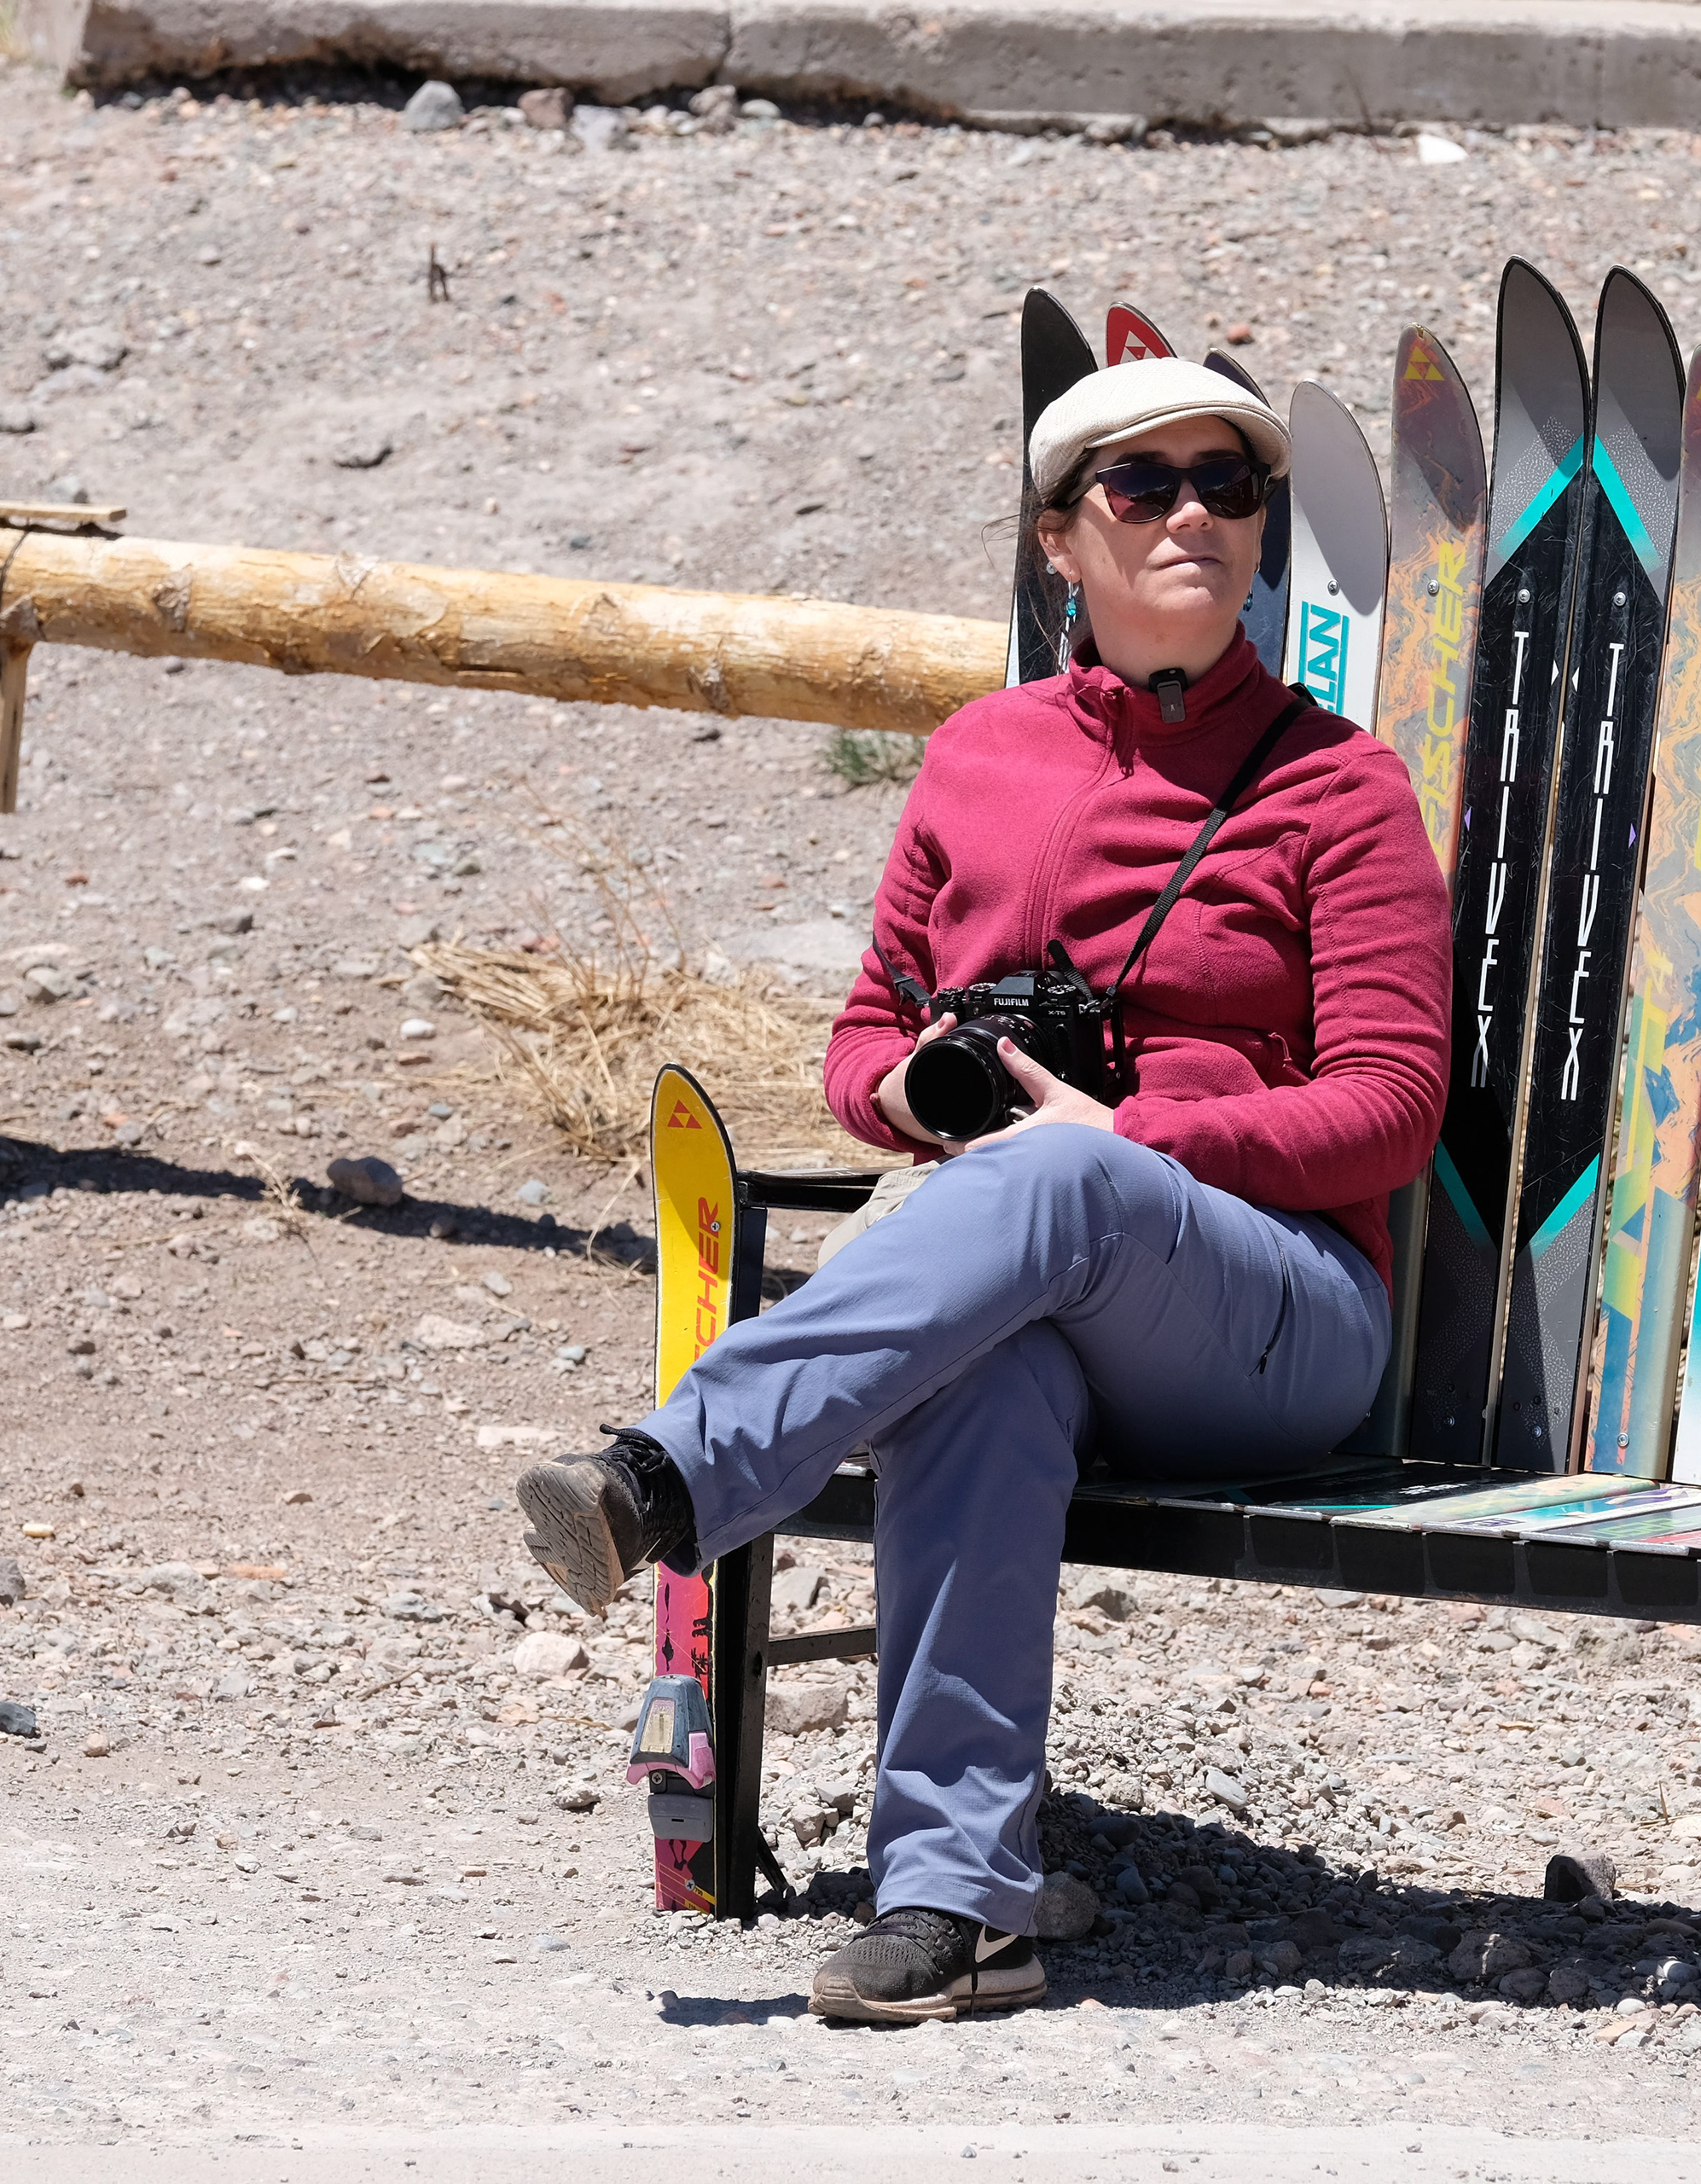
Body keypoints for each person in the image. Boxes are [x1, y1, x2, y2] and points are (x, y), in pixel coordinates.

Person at [514, 357, 1449, 2024]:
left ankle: (674, 1474)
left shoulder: (1338, 788)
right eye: (1141, 486)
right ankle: (958, 1901)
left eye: (1228, 487)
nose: (1192, 516)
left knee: (1065, 1180)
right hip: (1038, 1281)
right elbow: (862, 1035)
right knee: (983, 1364)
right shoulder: (978, 760)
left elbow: (1387, 1108)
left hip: (1279, 1322)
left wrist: (1132, 1132)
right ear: (1058, 544)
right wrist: (903, 1089)